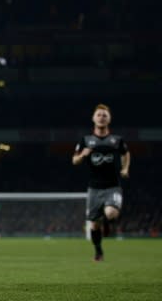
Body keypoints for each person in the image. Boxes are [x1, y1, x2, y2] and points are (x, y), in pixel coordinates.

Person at [72, 103, 130, 261]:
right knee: (94, 225)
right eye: (99, 115)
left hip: (113, 186)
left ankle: (106, 220)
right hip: (94, 189)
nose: (102, 117)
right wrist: (83, 155)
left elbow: (126, 153)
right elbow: (74, 160)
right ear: (93, 118)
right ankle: (98, 251)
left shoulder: (116, 140)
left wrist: (125, 168)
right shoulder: (86, 140)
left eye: (105, 115)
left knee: (111, 213)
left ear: (109, 119)